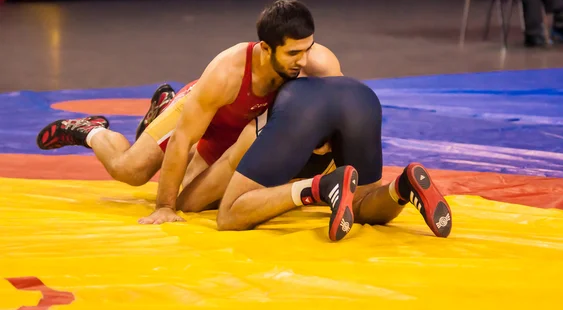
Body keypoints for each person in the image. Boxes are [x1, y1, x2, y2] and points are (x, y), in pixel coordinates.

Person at [36, 0, 343, 192]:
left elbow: (344, 113)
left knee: (193, 195)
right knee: (132, 172)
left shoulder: (320, 64)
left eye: (308, 49)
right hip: (207, 112)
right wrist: (165, 209)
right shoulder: (227, 72)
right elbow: (183, 139)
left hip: (243, 130)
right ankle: (92, 131)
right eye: (293, 53)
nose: (303, 60)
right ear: (266, 48)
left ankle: (158, 113)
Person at [140, 76, 452, 241]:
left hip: (301, 117)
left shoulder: (253, 118)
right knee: (363, 205)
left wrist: (175, 202)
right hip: (362, 100)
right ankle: (402, 187)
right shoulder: (314, 68)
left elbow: (206, 197)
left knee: (229, 214)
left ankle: (318, 187)